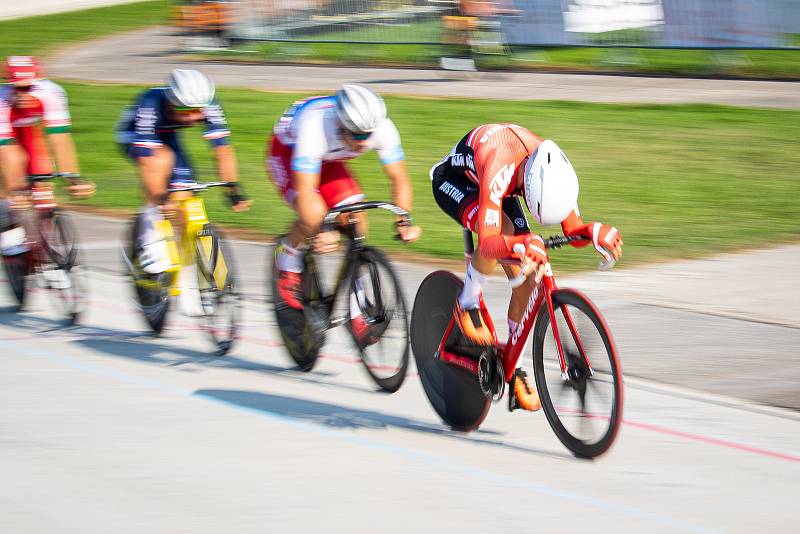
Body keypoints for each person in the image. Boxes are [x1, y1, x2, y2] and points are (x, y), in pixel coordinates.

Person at [429, 123, 623, 411]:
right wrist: (520, 245)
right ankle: (466, 303)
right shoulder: (500, 166)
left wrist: (593, 230)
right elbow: (488, 244)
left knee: (529, 280)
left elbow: (572, 229)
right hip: (456, 182)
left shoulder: (553, 173)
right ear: (527, 186)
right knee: (506, 233)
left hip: (504, 186)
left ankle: (513, 363)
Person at [267, 84, 421, 315]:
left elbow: (399, 178)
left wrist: (404, 220)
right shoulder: (315, 128)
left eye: (368, 135)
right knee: (316, 217)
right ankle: (288, 256)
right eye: (357, 135)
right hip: (288, 154)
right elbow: (306, 191)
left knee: (356, 220)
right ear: (340, 126)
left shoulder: (382, 128)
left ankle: (355, 300)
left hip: (330, 159)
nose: (363, 142)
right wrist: (321, 229)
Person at [116, 69, 249, 312]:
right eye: (186, 111)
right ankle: (150, 244)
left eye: (199, 111)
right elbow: (148, 162)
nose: (193, 117)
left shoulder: (207, 104)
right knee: (160, 166)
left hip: (169, 137)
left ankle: (192, 275)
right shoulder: (151, 103)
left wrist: (233, 187)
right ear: (171, 101)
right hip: (136, 137)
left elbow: (222, 149)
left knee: (185, 192)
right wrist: (160, 198)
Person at [0, 56, 94, 256]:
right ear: (9, 86)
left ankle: (47, 252)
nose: (24, 94)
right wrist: (14, 191)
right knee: (11, 180)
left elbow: (60, 139)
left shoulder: (51, 93)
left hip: (30, 136)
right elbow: (7, 151)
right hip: (6, 140)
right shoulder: (2, 100)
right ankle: (9, 225)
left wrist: (72, 177)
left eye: (29, 88)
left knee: (43, 175)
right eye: (18, 88)